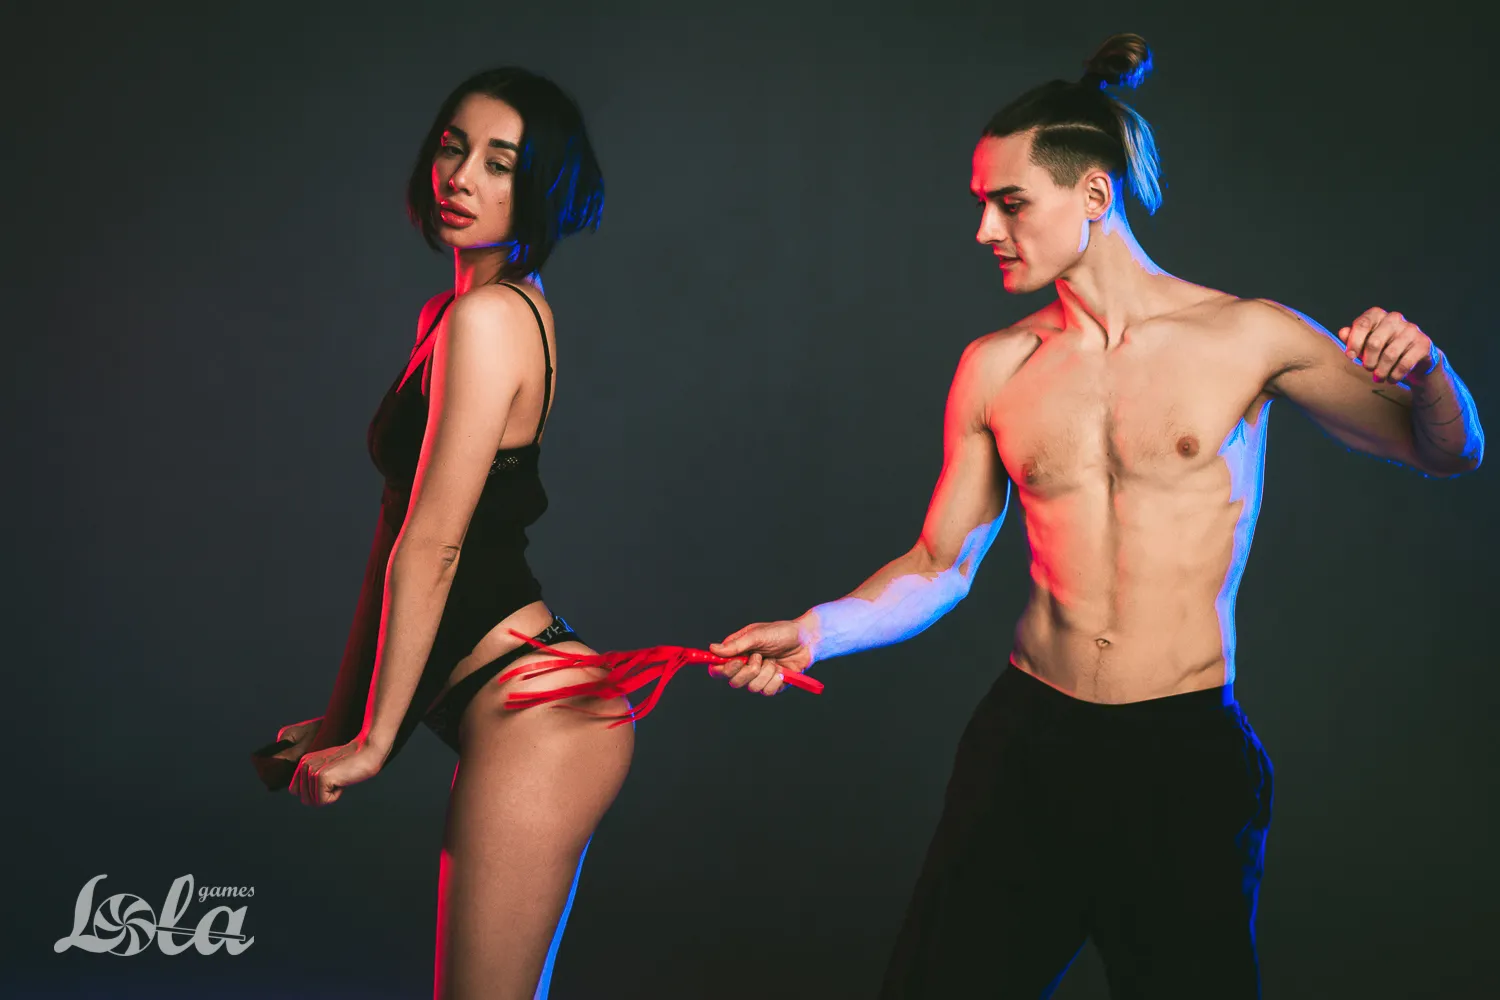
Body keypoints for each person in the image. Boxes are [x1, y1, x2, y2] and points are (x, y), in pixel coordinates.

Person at [707, 33, 1484, 999]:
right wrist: (817, 631)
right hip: (1030, 746)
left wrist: (1430, 372)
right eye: (981, 204)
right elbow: (941, 562)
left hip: (1182, 756)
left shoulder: (1247, 336)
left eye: (1010, 203)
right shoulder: (996, 367)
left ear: (1093, 194)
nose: (985, 230)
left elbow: (1443, 449)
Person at [249, 68, 632, 1000]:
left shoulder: (491, 319)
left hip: (538, 711)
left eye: (500, 162)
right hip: (502, 696)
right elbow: (394, 536)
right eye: (454, 148)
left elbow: (434, 545)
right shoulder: (452, 316)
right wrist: (345, 718)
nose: (461, 176)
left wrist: (376, 742)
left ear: (539, 188)